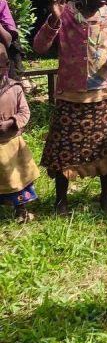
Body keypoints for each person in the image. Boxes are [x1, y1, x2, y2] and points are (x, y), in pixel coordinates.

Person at [33, 0, 107, 216]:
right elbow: (39, 47)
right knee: (65, 150)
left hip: (103, 94)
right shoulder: (65, 14)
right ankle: (61, 201)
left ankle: (106, 198)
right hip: (70, 95)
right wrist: (54, 20)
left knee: (106, 148)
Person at [0, 45, 38, 222]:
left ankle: (20, 209)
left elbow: (25, 112)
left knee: (17, 177)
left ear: (6, 65)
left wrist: (11, 122)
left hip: (12, 143)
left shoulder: (14, 88)